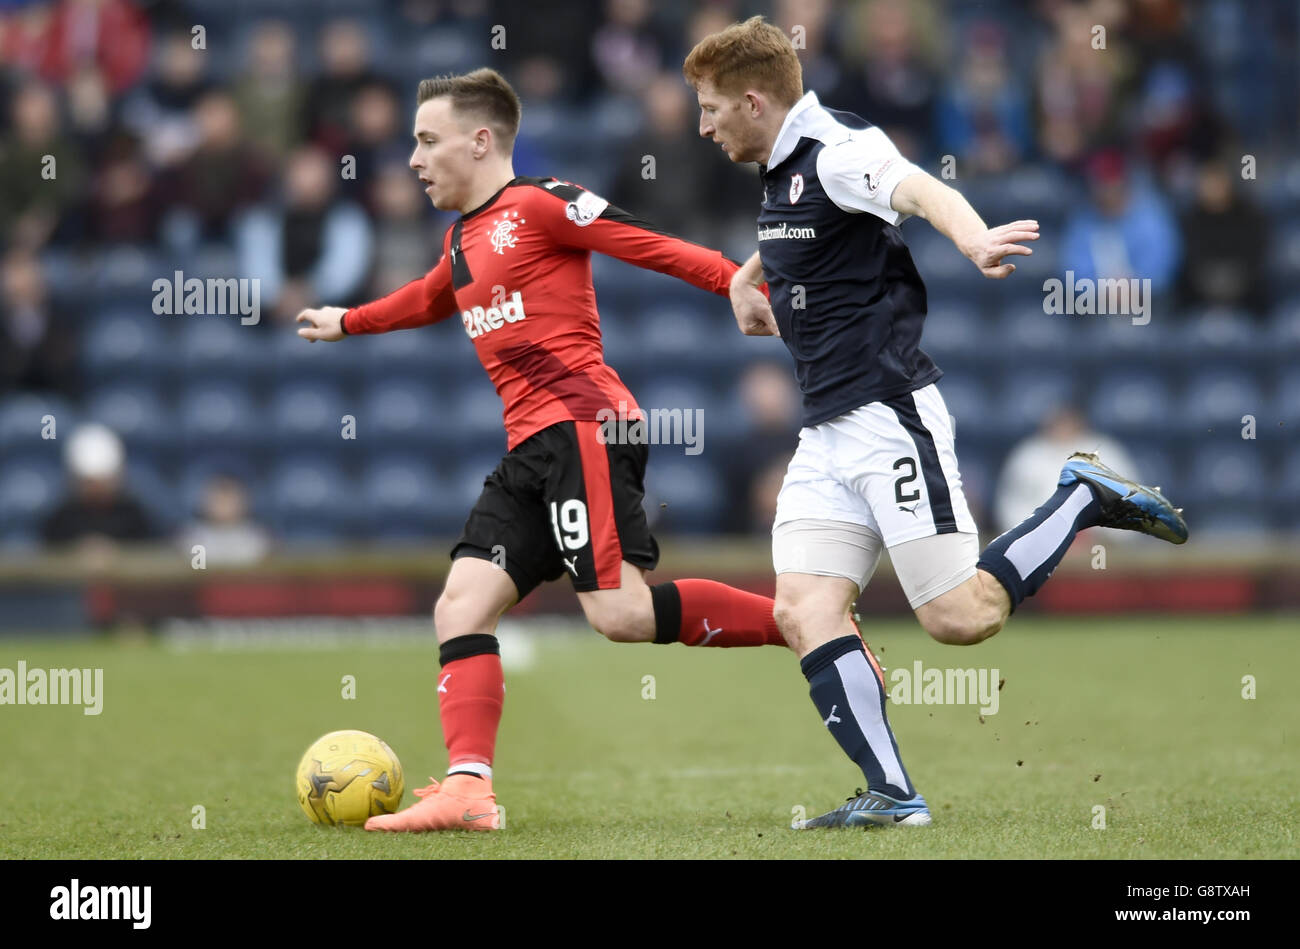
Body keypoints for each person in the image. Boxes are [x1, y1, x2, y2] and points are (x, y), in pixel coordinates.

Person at [684, 16, 1187, 829]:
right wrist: (747, 278)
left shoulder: (844, 151)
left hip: (889, 416)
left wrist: (974, 236)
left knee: (961, 617)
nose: (702, 126)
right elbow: (798, 228)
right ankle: (893, 793)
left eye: (710, 109)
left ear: (752, 101)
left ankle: (1080, 497)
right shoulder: (783, 162)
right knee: (803, 609)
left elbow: (917, 189)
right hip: (826, 432)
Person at [295, 68, 785, 834]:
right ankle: (469, 789)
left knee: (619, 614)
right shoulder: (460, 238)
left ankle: (806, 622)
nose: (414, 159)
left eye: (427, 141)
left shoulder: (541, 203)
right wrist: (348, 321)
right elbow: (428, 295)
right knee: (461, 601)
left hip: (584, 427)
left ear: (481, 140)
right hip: (531, 446)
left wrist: (732, 282)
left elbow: (645, 243)